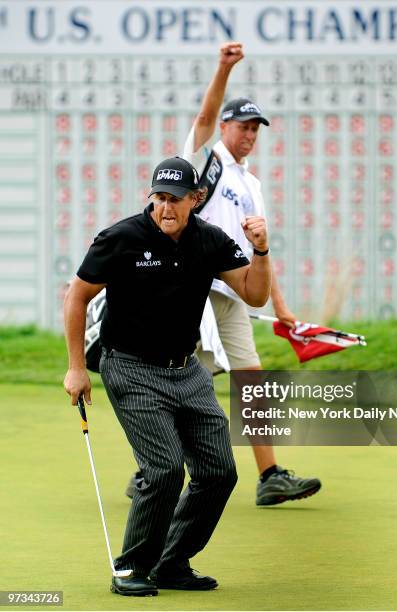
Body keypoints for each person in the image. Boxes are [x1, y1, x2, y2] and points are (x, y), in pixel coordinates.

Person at [63, 156, 272, 596]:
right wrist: (76, 368)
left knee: (219, 471)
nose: (166, 208)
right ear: (151, 198)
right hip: (131, 369)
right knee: (163, 469)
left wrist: (261, 250)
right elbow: (76, 297)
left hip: (186, 370)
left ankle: (172, 562)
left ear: (196, 200)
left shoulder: (209, 240)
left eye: (175, 199)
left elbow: (255, 292)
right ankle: (132, 566)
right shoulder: (121, 238)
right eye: (159, 198)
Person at [186, 42, 321, 506]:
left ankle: (270, 476)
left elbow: (258, 251)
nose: (249, 134)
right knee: (187, 382)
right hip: (192, 293)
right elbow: (204, 119)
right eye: (242, 126)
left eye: (254, 129)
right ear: (226, 127)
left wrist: (282, 311)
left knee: (251, 378)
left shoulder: (251, 182)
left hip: (234, 292)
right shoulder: (208, 160)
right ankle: (151, 469)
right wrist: (223, 68)